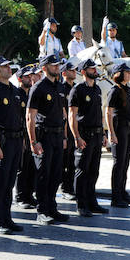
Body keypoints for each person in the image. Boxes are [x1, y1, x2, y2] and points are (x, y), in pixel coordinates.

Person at [26, 53, 70, 225]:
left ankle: (52, 206)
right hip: (44, 135)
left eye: (58, 65)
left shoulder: (59, 87)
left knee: (56, 173)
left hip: (58, 135)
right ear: (44, 68)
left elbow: (63, 114)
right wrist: (33, 141)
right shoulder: (38, 88)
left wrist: (65, 136)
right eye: (53, 65)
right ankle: (42, 210)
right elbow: (30, 117)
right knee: (44, 173)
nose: (57, 67)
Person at [0, 56, 26, 233]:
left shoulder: (15, 91)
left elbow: (20, 118)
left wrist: (23, 140)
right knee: (0, 182)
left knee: (10, 182)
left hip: (16, 140)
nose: (9, 68)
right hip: (4, 140)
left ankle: (7, 218)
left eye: (9, 65)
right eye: (4, 66)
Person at [68, 59, 109, 217]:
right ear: (83, 72)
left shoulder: (97, 89)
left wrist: (104, 133)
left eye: (95, 68)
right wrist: (76, 137)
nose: (95, 70)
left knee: (94, 170)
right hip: (84, 134)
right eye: (91, 69)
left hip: (97, 134)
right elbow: (72, 115)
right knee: (82, 170)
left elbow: (99, 113)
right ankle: (81, 204)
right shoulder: (77, 90)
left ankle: (92, 202)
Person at [105, 64, 130, 208]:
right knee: (118, 163)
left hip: (129, 128)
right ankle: (116, 196)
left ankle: (122, 192)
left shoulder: (128, 89)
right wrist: (111, 132)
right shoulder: (114, 91)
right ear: (119, 74)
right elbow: (108, 113)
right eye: (127, 72)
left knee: (125, 162)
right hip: (120, 128)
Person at [14, 65, 37, 210]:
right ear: (20, 79)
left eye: (31, 76)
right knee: (22, 168)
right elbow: (18, 118)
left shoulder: (31, 94)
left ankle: (29, 195)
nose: (30, 79)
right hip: (22, 135)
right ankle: (20, 196)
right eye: (27, 77)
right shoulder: (17, 94)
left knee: (31, 166)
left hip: (32, 134)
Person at [59, 59, 78, 198]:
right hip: (65, 129)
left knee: (74, 160)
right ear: (64, 73)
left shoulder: (77, 88)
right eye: (71, 70)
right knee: (65, 160)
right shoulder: (61, 89)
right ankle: (65, 188)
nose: (74, 72)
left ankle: (71, 185)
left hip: (76, 128)